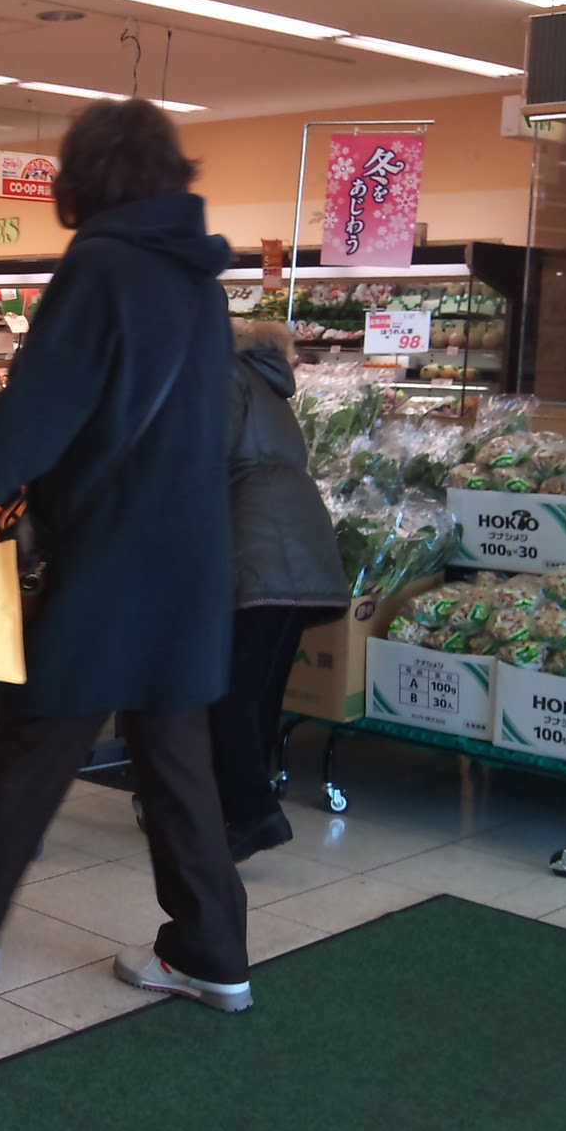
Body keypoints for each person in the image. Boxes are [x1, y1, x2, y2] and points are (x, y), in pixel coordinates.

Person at [0, 99, 254, 1013]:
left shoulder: (102, 267)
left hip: (115, 550)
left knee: (40, 730)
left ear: (83, 177)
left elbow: (44, 404)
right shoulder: (199, 283)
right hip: (193, 549)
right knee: (174, 755)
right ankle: (212, 950)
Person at [217, 320, 349, 862]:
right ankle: (249, 800)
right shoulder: (269, 383)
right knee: (262, 687)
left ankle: (252, 812)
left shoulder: (227, 376)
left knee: (226, 689)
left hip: (259, 549)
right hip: (298, 546)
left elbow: (206, 457)